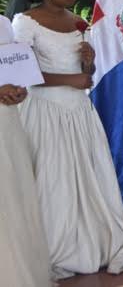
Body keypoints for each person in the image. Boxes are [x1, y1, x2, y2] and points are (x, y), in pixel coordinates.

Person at [10, 0, 123, 279]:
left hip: (79, 112)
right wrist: (70, 80)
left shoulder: (78, 22)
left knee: (90, 177)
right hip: (45, 112)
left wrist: (88, 64)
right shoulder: (25, 23)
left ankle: (99, 242)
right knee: (53, 181)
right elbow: (23, 75)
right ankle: (55, 247)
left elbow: (86, 76)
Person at [0, 15, 52, 287]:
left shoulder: (3, 25)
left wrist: (19, 91)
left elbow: (13, 72)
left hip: (7, 124)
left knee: (13, 194)